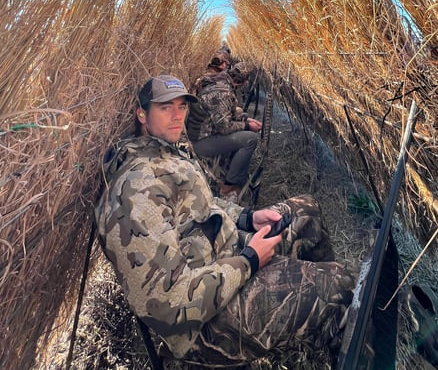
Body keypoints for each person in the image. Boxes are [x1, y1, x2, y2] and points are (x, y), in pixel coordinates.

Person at [94, 74, 356, 368]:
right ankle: (328, 312)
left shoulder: (165, 153)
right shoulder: (135, 192)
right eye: (165, 108)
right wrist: (250, 260)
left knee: (307, 211)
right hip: (203, 326)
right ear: (141, 114)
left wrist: (248, 217)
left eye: (181, 106)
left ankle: (317, 324)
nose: (177, 116)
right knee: (340, 285)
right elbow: (166, 306)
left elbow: (202, 206)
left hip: (226, 259)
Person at [186, 62, 262, 199]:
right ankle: (229, 186)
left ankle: (237, 175)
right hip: (200, 142)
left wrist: (246, 120)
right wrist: (247, 126)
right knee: (251, 139)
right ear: (242, 82)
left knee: (243, 128)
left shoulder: (219, 80)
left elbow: (225, 113)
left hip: (205, 132)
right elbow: (224, 128)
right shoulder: (222, 92)